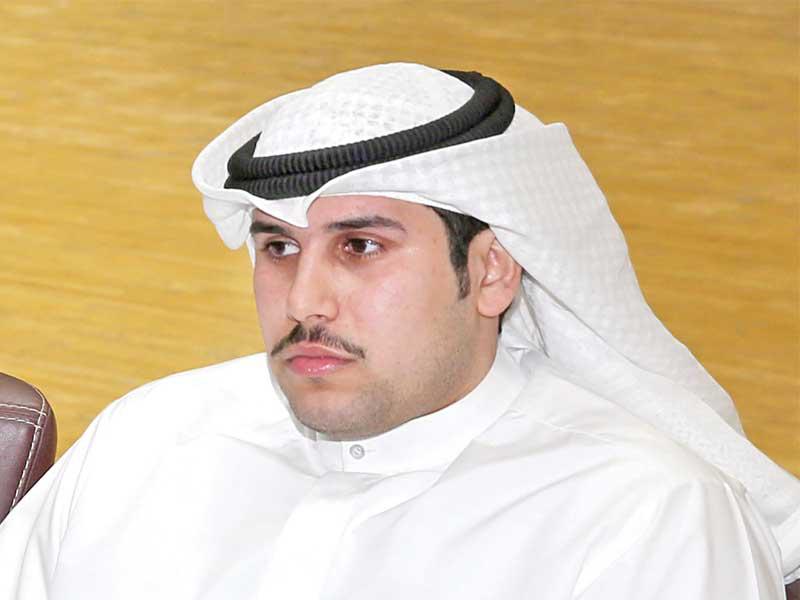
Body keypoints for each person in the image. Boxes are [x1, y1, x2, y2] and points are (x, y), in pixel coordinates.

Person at [0, 63, 798, 599]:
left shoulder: (646, 515)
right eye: (278, 248)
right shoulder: (148, 438)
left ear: (492, 272)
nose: (305, 300)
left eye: (360, 247)